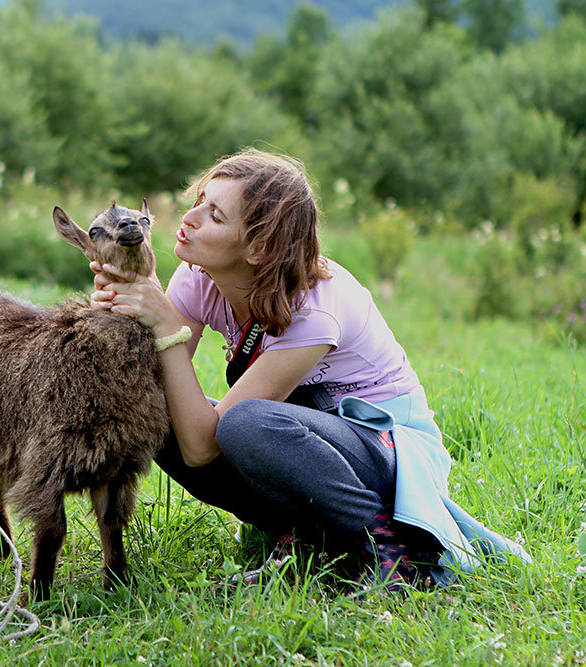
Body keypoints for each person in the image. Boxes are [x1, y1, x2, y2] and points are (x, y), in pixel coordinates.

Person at [91, 148, 530, 590]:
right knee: (150, 413)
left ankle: (388, 546)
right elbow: (152, 387)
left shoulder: (316, 307)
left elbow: (205, 446)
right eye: (200, 200)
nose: (191, 217)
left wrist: (166, 325)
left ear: (259, 247)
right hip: (301, 439)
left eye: (216, 216)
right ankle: (305, 540)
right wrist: (122, 315)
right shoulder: (196, 275)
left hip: (384, 451)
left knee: (245, 424)